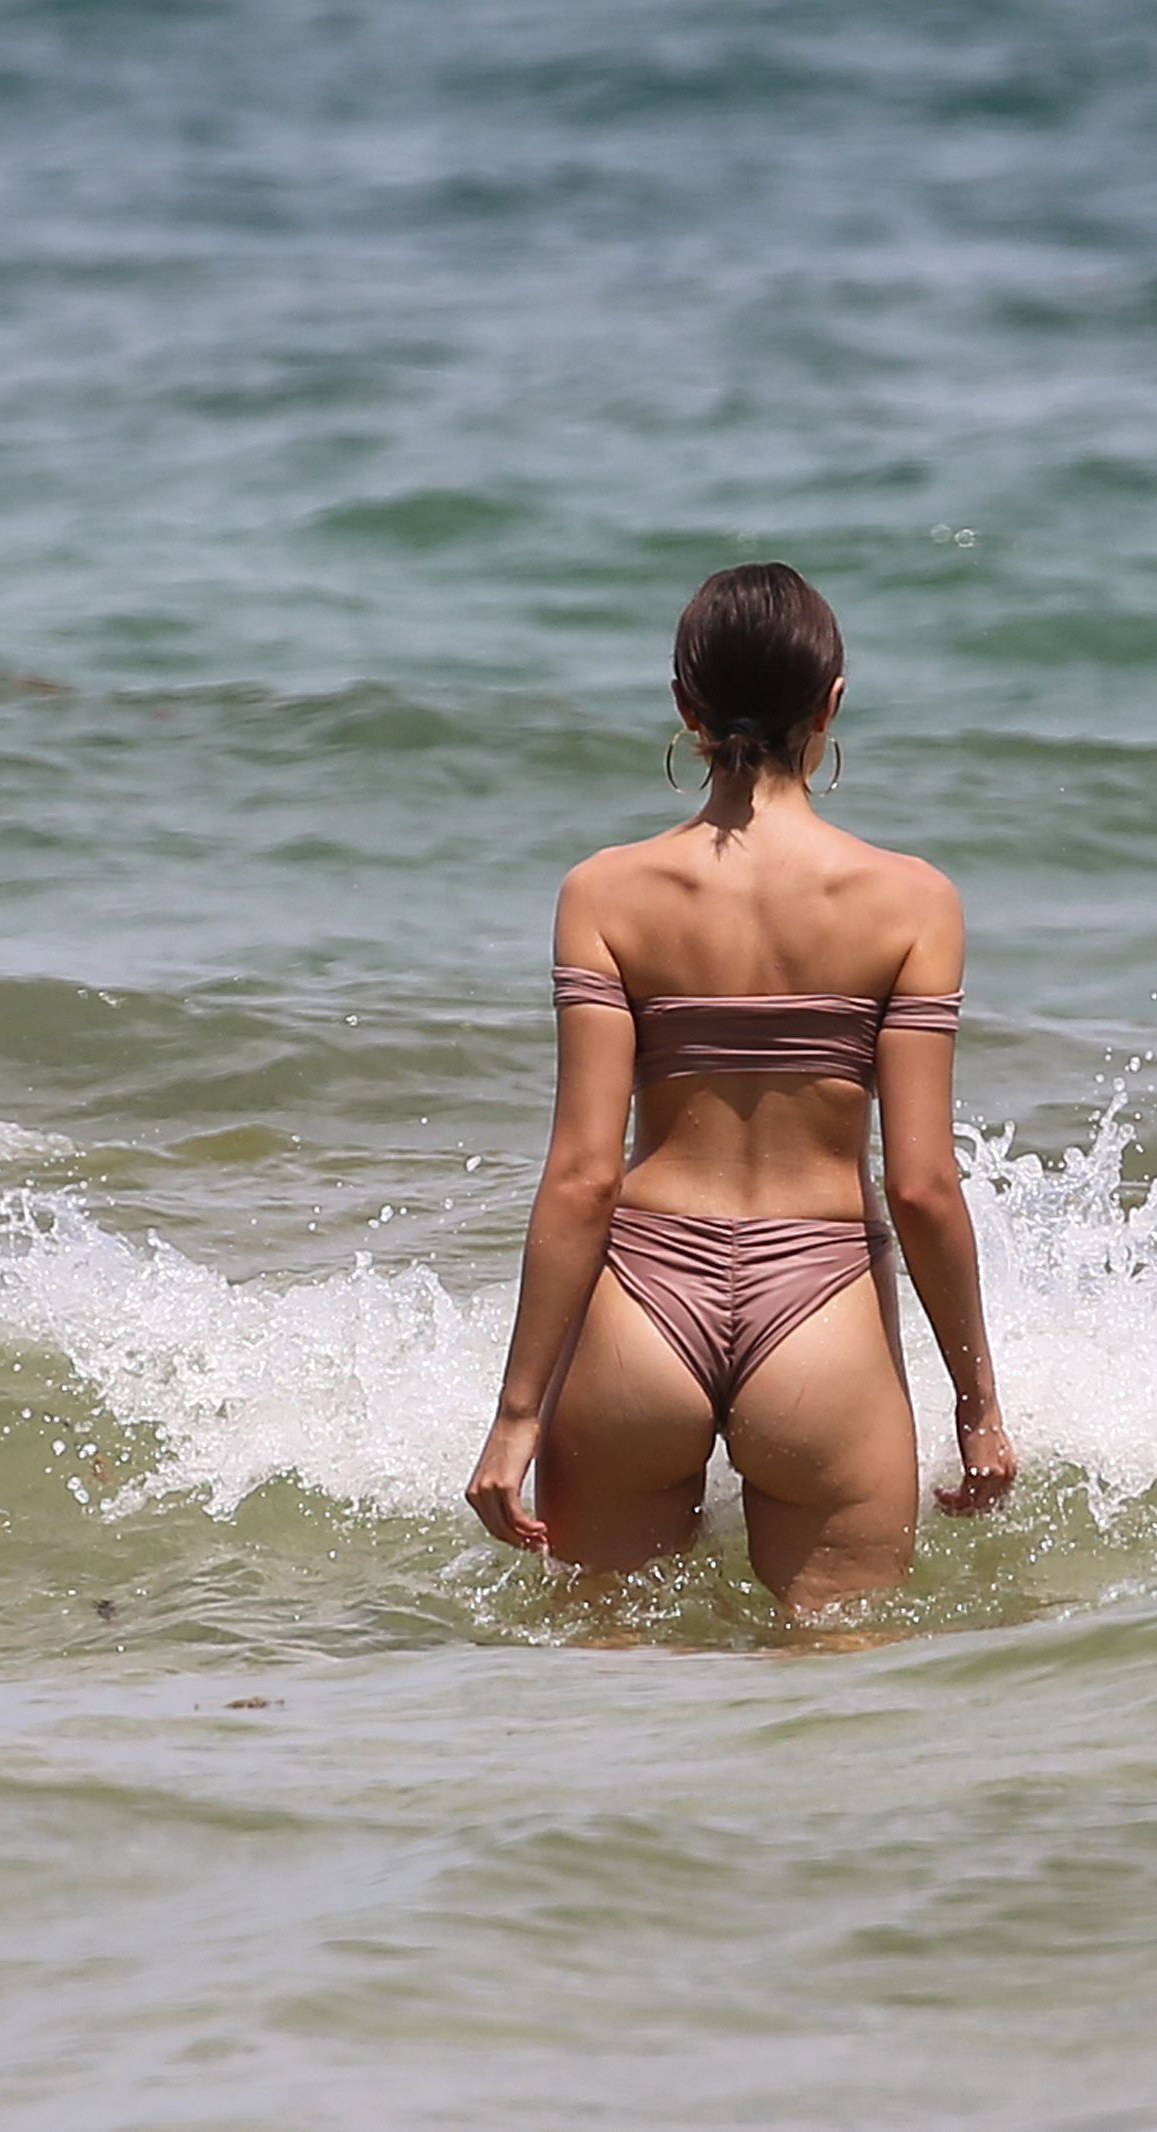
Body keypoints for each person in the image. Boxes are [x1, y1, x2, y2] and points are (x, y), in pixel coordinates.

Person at [464, 563, 1014, 1610]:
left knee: (605, 1663)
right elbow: (923, 1186)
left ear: (686, 707)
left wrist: (516, 1415)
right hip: (823, 1310)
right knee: (843, 1673)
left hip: (639, 1306)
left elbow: (583, 1175)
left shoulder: (602, 893)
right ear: (832, 703)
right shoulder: (914, 902)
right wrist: (976, 1407)